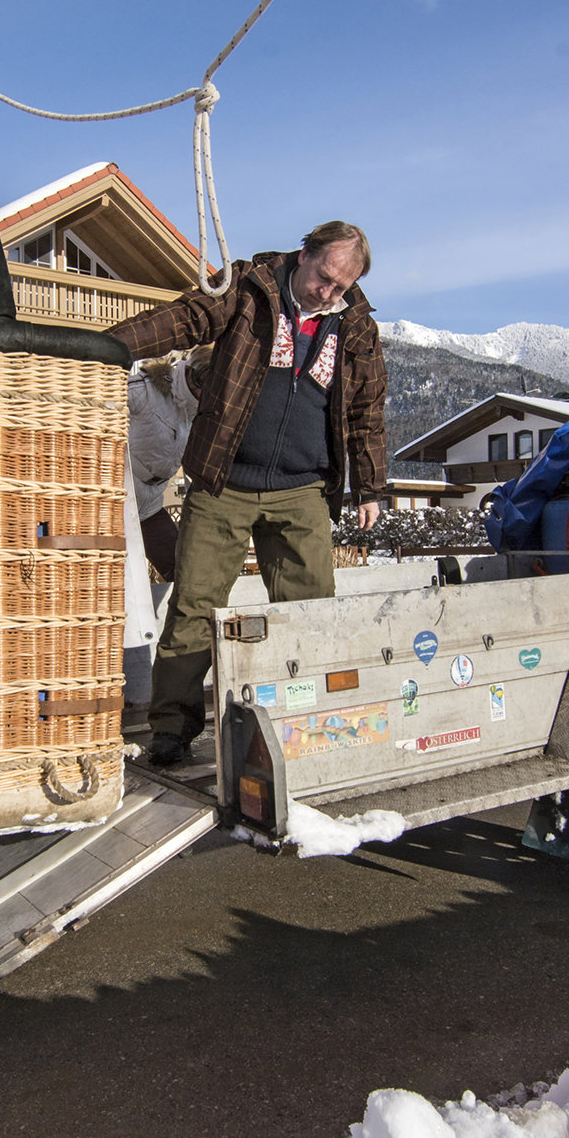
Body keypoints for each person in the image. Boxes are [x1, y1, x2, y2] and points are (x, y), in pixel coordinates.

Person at [106, 221, 387, 765]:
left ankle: (306, 720)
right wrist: (105, 346)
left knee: (308, 612)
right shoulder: (248, 287)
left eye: (340, 287)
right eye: (324, 277)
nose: (327, 293)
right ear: (303, 254)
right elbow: (186, 317)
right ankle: (171, 728)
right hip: (224, 481)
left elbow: (366, 411)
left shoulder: (355, 325)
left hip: (303, 489)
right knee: (194, 608)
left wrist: (371, 485)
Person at [128, 346, 211, 580]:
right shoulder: (146, 390)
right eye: (198, 378)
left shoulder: (203, 415)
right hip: (117, 497)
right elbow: (101, 401)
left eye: (209, 384)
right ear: (189, 369)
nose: (198, 389)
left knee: (181, 570)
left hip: (150, 504)